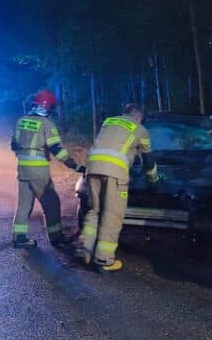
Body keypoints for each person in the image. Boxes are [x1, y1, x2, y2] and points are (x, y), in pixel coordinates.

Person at [79, 103, 162, 272]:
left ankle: (84, 249)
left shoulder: (109, 121)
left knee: (94, 211)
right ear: (139, 118)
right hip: (115, 173)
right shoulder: (141, 129)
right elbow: (148, 161)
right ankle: (104, 259)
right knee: (112, 215)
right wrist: (154, 179)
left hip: (93, 169)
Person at [11, 89, 85, 248]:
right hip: (38, 171)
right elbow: (57, 149)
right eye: (51, 107)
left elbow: (14, 145)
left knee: (24, 204)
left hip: (22, 169)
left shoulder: (21, 121)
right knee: (51, 202)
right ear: (46, 107)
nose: (52, 111)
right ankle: (56, 237)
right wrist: (75, 165)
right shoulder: (46, 124)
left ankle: (19, 237)